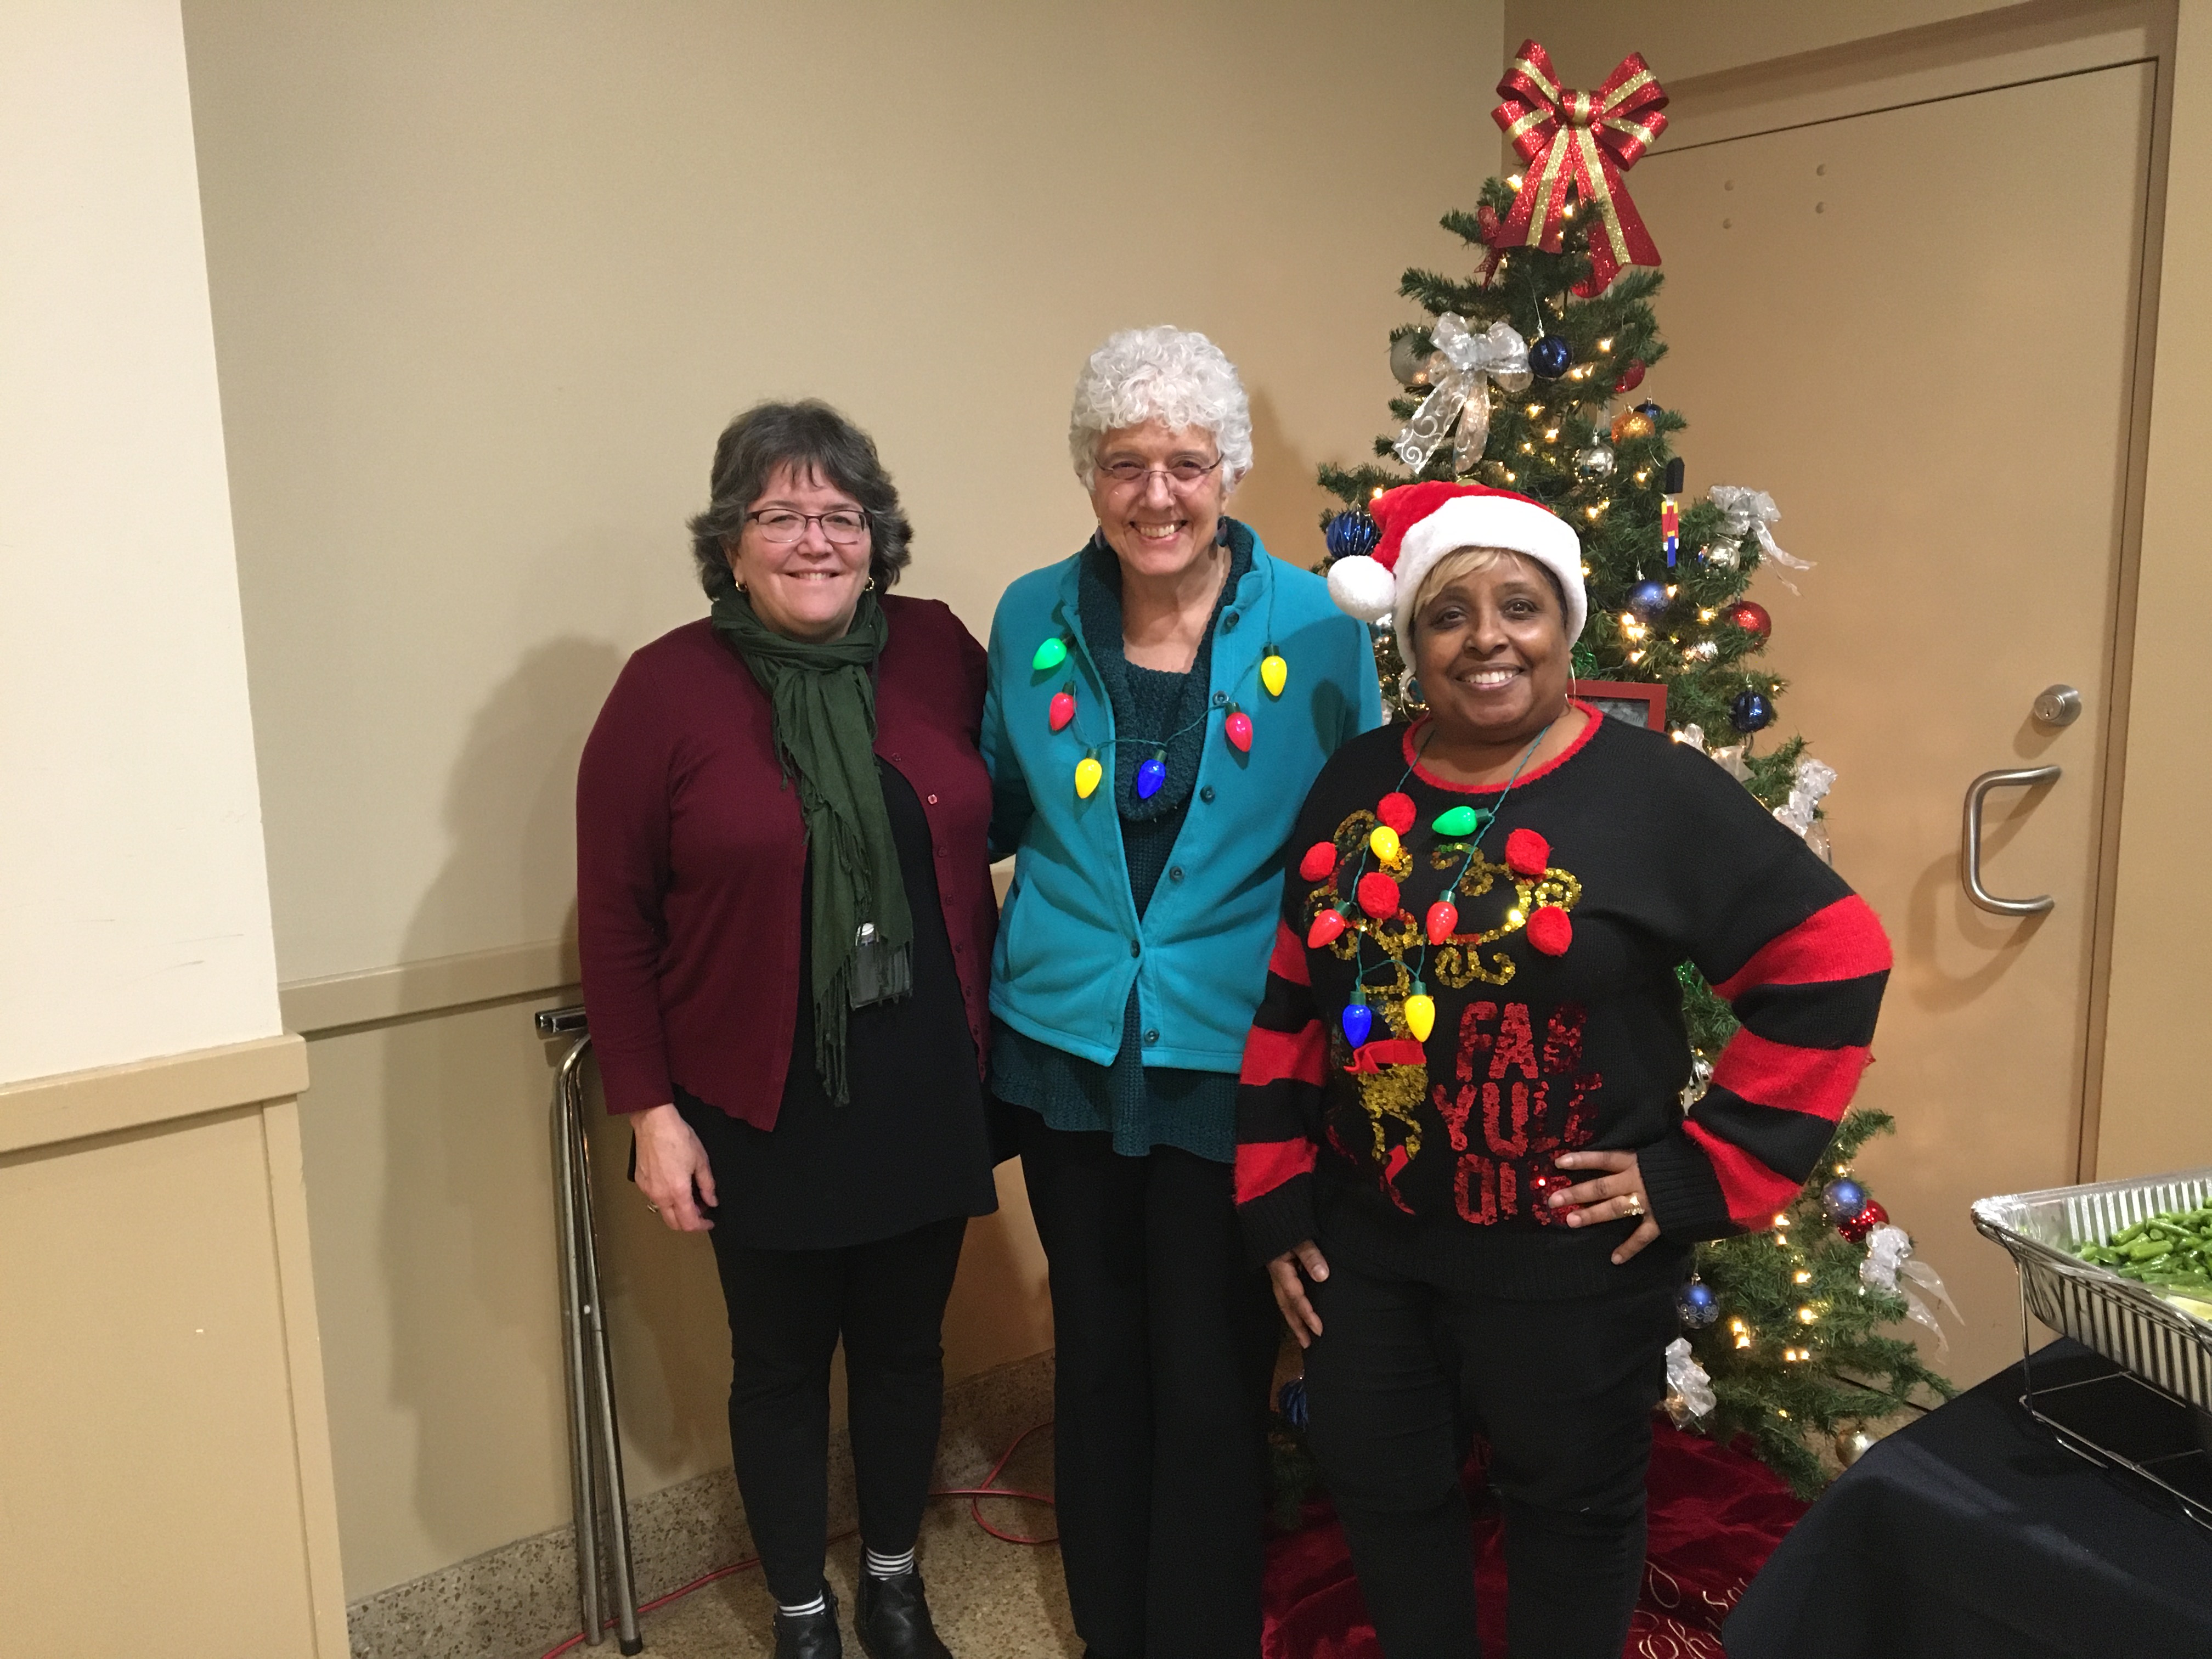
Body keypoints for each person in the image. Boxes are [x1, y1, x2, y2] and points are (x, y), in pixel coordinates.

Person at [1236, 481, 1892, 1659]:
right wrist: (1275, 1188)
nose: (1486, 638)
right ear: (1411, 640)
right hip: (1368, 1245)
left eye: (1520, 607)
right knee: (1382, 1492)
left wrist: (1708, 1170)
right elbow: (1295, 993)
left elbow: (1833, 958)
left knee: (1571, 1519)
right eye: (1449, 615)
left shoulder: (1656, 791)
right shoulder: (1358, 782)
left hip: (1572, 1264)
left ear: (1565, 625)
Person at [981, 325, 1384, 1659]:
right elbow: (997, 801)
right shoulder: (1031, 615)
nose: (1157, 494)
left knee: (1213, 1372)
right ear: (1089, 475)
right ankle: (1114, 1633)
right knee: (1096, 1360)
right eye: (1125, 463)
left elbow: (1355, 843)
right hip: (1066, 1048)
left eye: (1187, 464)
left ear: (1231, 472)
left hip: (1236, 1058)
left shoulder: (1320, 625)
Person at [578, 401, 1000, 1659]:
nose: (815, 540)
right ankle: (802, 1613)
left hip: (924, 1075)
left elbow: (1013, 802)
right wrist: (652, 1112)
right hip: (757, 1099)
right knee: (777, 1367)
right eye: (780, 516)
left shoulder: (935, 650)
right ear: (731, 542)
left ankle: (894, 1584)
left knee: (906, 1352)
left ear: (877, 536)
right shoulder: (664, 690)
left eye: (841, 515)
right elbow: (616, 918)